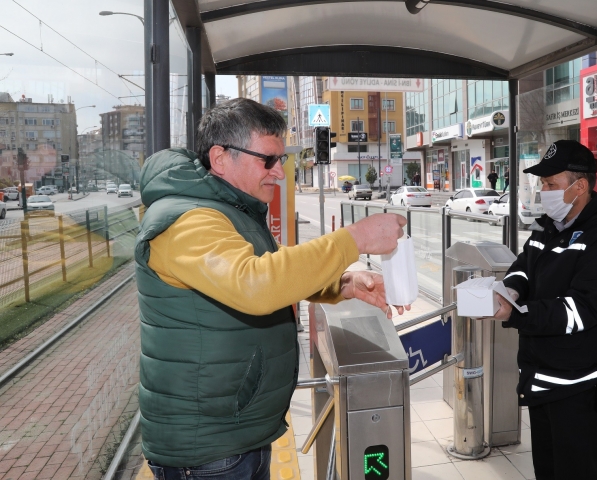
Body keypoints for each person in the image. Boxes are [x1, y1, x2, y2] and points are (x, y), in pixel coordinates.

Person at [136, 98, 409, 480]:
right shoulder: (187, 221)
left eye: (281, 160)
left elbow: (272, 265)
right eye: (268, 160)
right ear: (220, 158)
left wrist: (343, 284)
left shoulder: (225, 209)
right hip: (209, 448)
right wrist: (354, 239)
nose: (279, 173)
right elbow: (255, 284)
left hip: (236, 431)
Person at [480, 140, 597, 480]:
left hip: (580, 385)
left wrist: (517, 314)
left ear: (579, 186)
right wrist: (510, 289)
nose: (543, 191)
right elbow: (524, 265)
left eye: (551, 184)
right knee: (547, 471)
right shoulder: (547, 224)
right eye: (542, 184)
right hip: (542, 376)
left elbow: (581, 310)